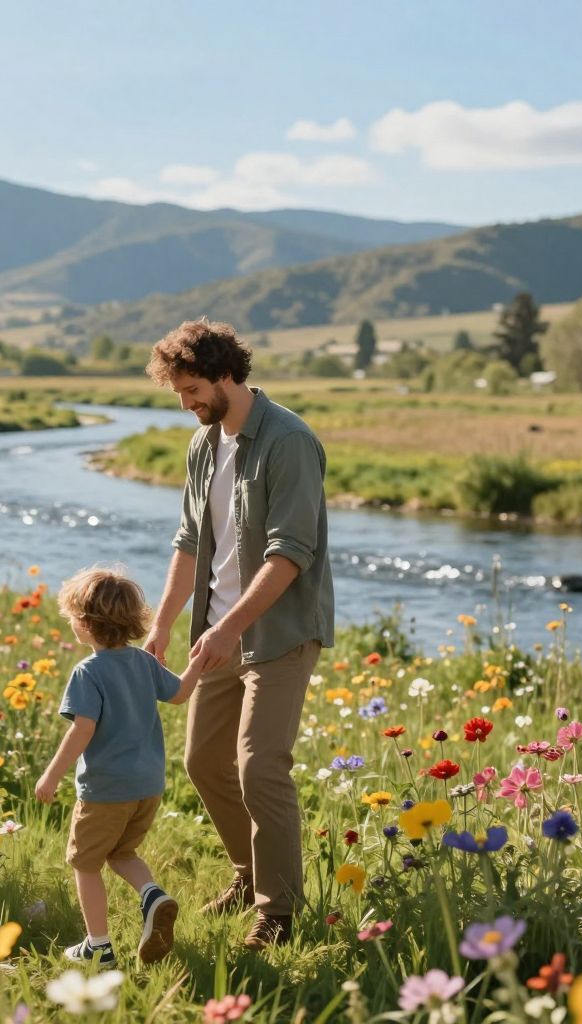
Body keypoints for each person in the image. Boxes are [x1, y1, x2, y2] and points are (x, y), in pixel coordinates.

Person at [143, 318, 335, 950]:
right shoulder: (205, 444)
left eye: (193, 388)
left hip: (275, 631)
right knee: (203, 763)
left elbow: (289, 553)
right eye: (178, 392)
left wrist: (228, 626)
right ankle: (250, 872)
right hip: (216, 633)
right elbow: (191, 542)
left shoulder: (289, 441)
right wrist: (165, 623)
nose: (187, 403)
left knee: (259, 767)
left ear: (226, 374)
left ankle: (278, 913)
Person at [35, 566, 199, 967]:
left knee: (85, 864)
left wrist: (51, 774)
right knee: (123, 852)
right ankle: (153, 896)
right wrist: (197, 663)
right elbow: (179, 694)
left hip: (105, 791)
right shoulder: (143, 664)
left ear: (87, 624)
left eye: (73, 616)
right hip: (148, 787)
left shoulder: (87, 672)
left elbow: (82, 731)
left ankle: (98, 946)